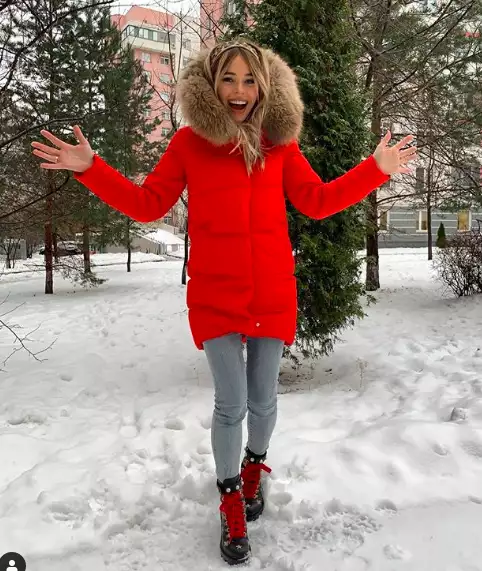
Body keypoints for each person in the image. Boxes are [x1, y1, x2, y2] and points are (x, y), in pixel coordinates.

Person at [32, 39, 417, 565]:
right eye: (229, 79)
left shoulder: (279, 145)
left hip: (272, 292)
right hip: (215, 296)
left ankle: (255, 467)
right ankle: (231, 497)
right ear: (212, 85)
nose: (239, 90)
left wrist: (376, 168)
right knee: (231, 403)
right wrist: (89, 168)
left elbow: (318, 200)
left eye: (250, 80)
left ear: (263, 86)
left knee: (264, 401)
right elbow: (147, 204)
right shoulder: (190, 144)